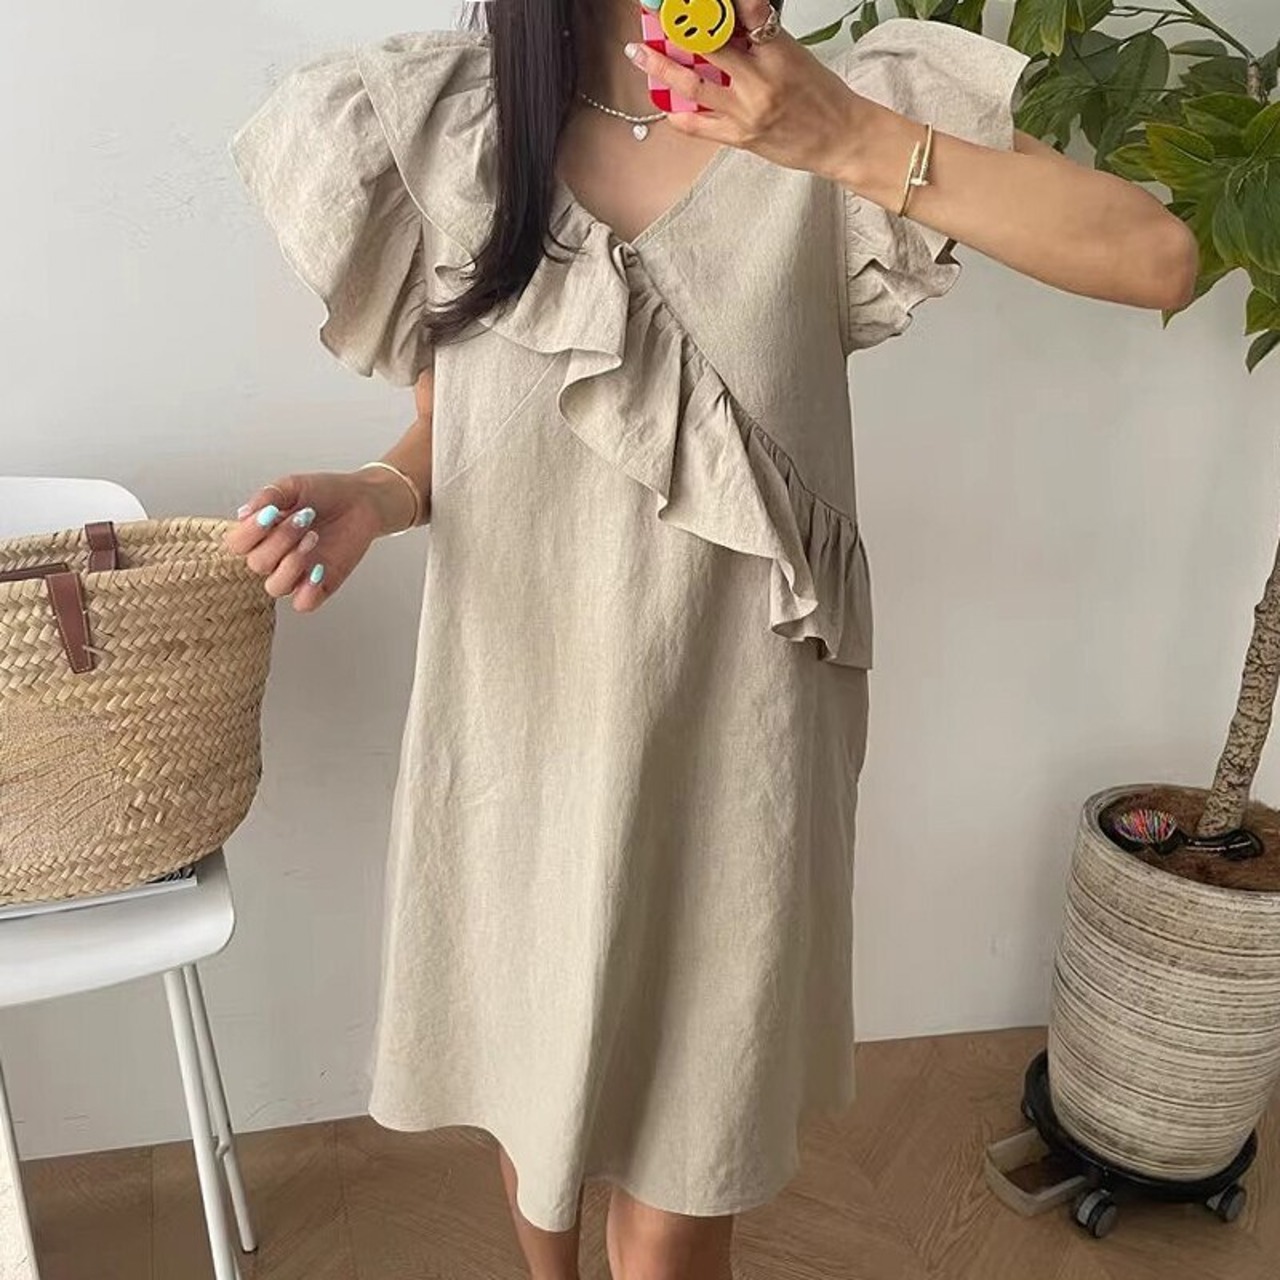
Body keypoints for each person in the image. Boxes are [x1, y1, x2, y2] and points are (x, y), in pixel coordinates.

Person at [223, 3, 1197, 1277]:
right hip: (518, 705)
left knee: (687, 1158)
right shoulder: (442, 127)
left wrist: (842, 137)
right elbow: (458, 419)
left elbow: (1155, 257)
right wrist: (380, 490)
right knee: (534, 1093)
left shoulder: (843, 106)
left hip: (741, 731)